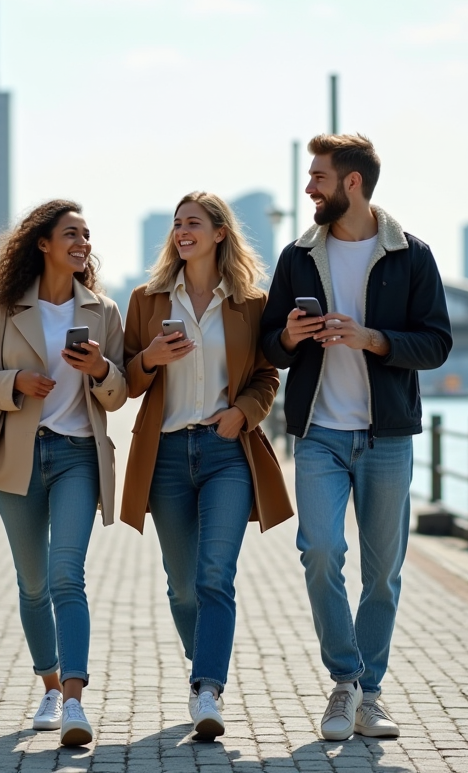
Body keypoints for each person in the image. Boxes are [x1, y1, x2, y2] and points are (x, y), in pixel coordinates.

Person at [261, 134, 452, 741]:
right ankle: (345, 681)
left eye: (318, 176)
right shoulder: (297, 256)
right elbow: (268, 345)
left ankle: (370, 695)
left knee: (383, 572)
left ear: (352, 183)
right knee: (319, 550)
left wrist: (372, 339)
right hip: (318, 433)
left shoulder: (411, 255)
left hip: (386, 436)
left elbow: (437, 343)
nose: (309, 185)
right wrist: (290, 336)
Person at [122, 192, 291, 740]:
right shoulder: (146, 300)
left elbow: (268, 377)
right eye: (176, 224)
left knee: (216, 575)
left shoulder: (252, 303)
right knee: (182, 584)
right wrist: (151, 357)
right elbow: (126, 380)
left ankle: (207, 688)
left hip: (226, 453)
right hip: (166, 454)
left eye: (192, 222)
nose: (181, 232)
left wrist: (242, 415)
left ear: (220, 233)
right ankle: (205, 671)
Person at [0, 199, 127, 747]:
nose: (82, 243)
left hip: (78, 455)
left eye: (86, 235)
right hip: (18, 458)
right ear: (43, 244)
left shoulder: (103, 310)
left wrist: (101, 369)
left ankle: (76, 702)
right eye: (71, 234)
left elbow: (120, 393)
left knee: (65, 576)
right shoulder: (0, 306)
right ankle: (50, 685)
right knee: (32, 584)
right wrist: (15, 383)